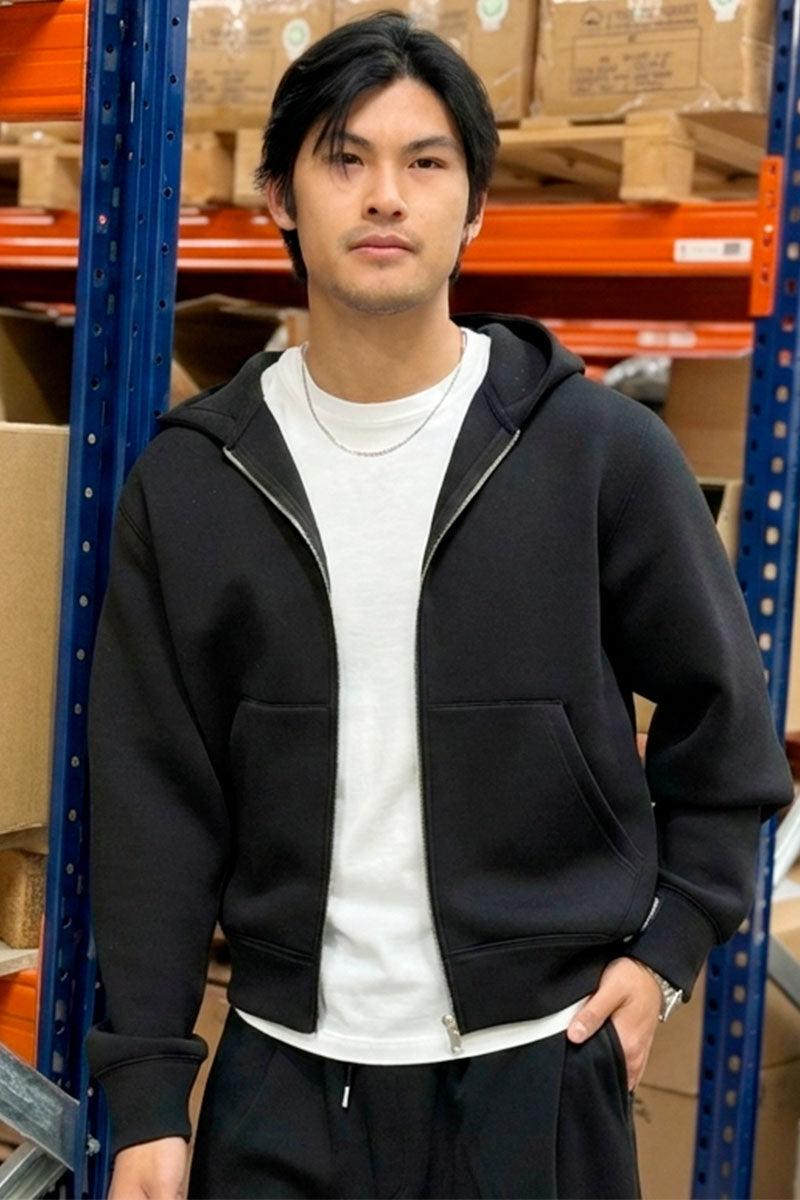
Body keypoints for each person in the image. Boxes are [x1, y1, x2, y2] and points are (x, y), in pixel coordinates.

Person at [85, 11, 794, 1199]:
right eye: (344, 158)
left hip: (536, 1073)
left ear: (471, 209)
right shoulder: (195, 480)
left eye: (424, 162)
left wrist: (668, 947)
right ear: (278, 196)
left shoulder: (595, 453)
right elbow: (154, 800)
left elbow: (724, 729)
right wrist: (151, 1094)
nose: (384, 195)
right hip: (282, 1078)